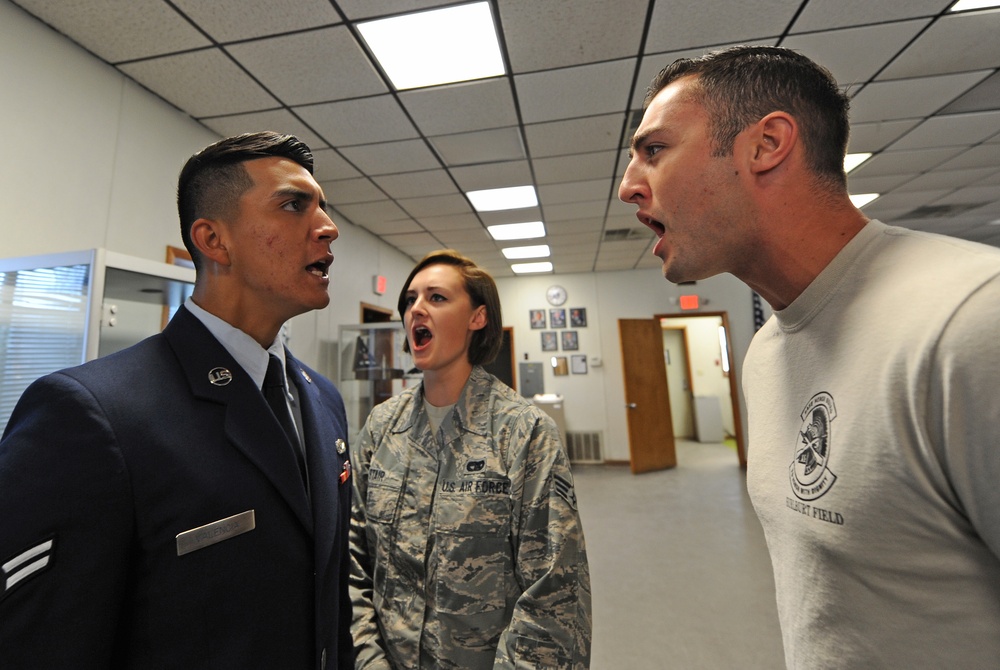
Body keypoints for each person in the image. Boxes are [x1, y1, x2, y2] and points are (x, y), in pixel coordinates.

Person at [619, 45, 1000, 667]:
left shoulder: (972, 321)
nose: (628, 185)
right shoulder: (769, 351)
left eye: (654, 150)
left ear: (767, 145)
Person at [0, 131, 355, 668]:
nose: (327, 228)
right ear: (214, 240)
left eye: (322, 208)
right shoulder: (92, 414)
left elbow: (329, 607)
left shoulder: (322, 401)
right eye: (293, 205)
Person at [348, 249, 591, 669]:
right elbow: (354, 561)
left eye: (436, 298)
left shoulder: (523, 433)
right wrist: (368, 659)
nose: (415, 309)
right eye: (409, 300)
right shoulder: (382, 426)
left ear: (477, 317)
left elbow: (555, 593)